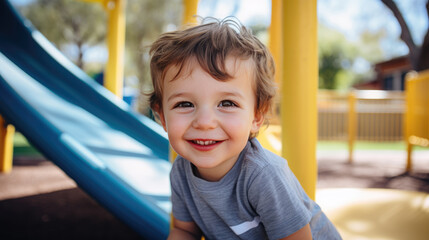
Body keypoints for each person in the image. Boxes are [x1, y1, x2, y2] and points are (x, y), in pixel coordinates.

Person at [148, 17, 342, 240]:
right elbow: (185, 231)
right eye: (184, 104)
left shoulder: (263, 175)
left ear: (257, 115)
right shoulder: (181, 172)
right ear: (161, 116)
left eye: (227, 103)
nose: (204, 121)